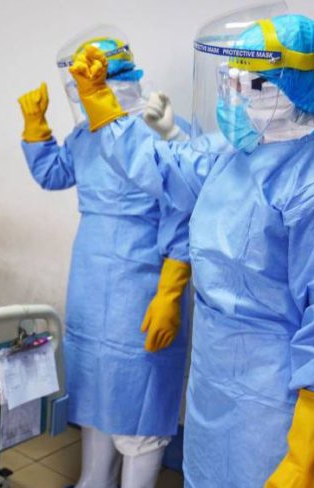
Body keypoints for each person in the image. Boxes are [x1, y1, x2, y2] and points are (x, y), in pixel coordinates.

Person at [69, 7, 314, 487]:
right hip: (216, 385)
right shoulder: (232, 157)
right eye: (231, 81)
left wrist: (304, 461)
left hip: (279, 401)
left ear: (296, 89)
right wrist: (100, 103)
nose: (234, 96)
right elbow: (160, 165)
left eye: (251, 84)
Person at [17, 26, 192, 488]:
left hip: (144, 280)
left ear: (107, 79)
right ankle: (93, 479)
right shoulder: (86, 133)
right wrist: (36, 129)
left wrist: (170, 292)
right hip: (91, 278)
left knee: (139, 397)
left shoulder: (162, 126)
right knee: (95, 390)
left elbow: (184, 209)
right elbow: (55, 174)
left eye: (87, 83)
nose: (80, 94)